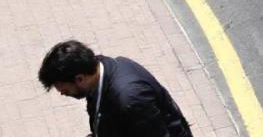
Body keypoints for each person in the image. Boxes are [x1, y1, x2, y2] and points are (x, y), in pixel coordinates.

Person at [38, 39, 192, 136]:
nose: (61, 93)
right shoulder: (98, 72)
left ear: (80, 79)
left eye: (64, 89)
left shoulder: (129, 99)